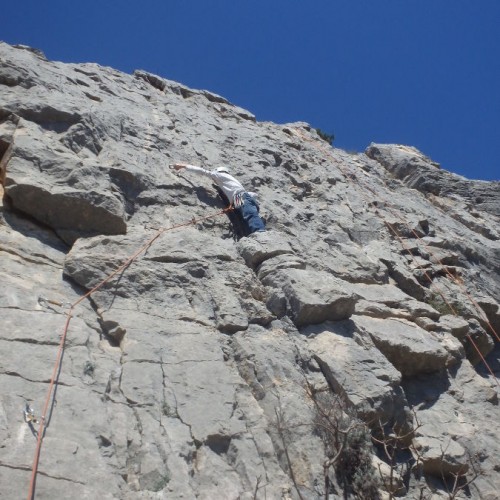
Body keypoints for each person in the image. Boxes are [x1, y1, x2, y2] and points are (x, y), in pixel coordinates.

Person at [172, 163, 266, 235]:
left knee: (249, 215)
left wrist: (184, 166)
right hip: (240, 198)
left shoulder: (221, 175)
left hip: (240, 197)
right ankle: (254, 234)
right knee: (245, 218)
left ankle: (260, 233)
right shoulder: (230, 182)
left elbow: (203, 172)